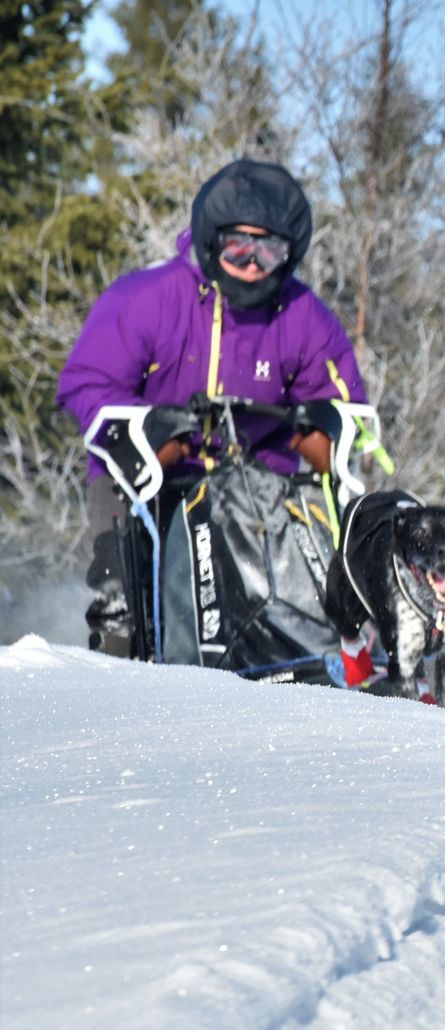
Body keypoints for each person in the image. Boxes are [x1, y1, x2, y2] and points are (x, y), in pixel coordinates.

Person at [57, 159, 366, 657]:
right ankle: (118, 653)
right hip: (148, 478)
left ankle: (327, 659)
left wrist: (320, 433)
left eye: (268, 250)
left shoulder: (303, 316)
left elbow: (346, 406)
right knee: (124, 598)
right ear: (211, 240)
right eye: (238, 245)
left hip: (259, 489)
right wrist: (149, 430)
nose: (251, 262)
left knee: (317, 562)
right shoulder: (145, 298)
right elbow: (86, 383)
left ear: (289, 255)